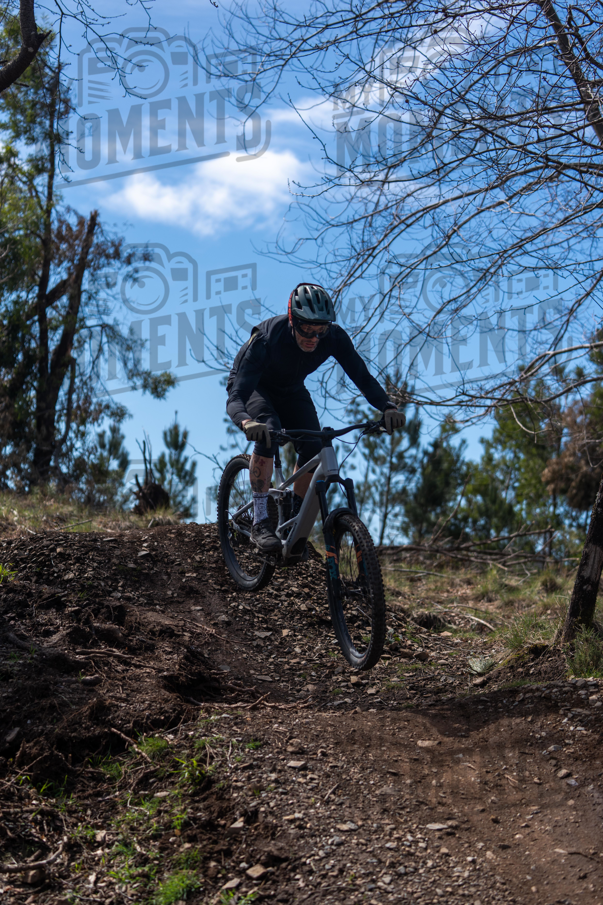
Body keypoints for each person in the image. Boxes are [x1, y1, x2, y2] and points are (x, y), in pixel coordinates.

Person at [226, 283, 406, 552]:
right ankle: (261, 520)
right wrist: (245, 421)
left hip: (291, 389)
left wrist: (387, 407)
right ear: (292, 321)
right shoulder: (267, 339)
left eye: (320, 330)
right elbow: (236, 396)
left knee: (313, 444)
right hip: (254, 388)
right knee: (269, 430)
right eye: (306, 329)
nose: (313, 337)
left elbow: (361, 376)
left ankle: (293, 519)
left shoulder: (333, 337)